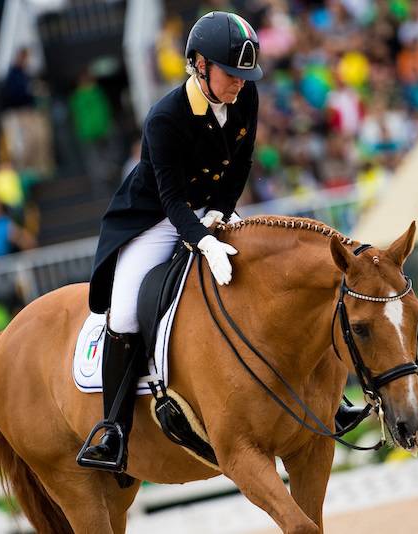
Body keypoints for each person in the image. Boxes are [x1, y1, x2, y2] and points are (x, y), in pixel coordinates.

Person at [81, 11, 363, 473]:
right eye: (231, 74)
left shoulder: (245, 96)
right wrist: (204, 242)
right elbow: (170, 200)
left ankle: (329, 400)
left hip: (213, 209)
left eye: (244, 75)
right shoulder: (165, 118)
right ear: (198, 64)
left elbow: (240, 165)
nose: (239, 83)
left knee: (268, 280)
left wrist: (220, 214)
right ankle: (112, 429)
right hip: (154, 220)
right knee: (127, 310)